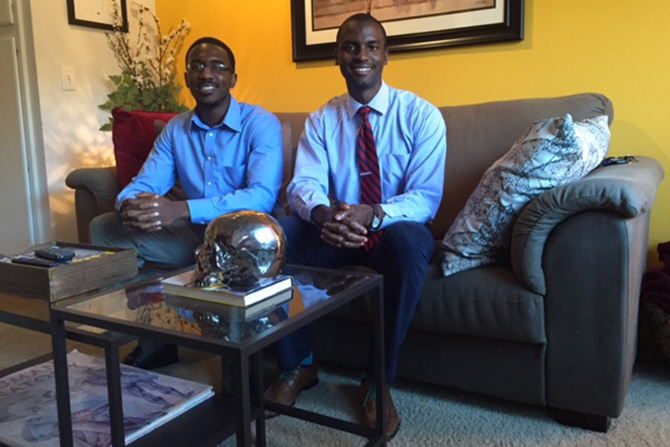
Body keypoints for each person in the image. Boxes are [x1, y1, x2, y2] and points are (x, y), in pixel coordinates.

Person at [264, 13, 446, 438]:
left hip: (392, 230)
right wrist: (325, 215)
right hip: (338, 229)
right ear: (337, 57)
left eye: (371, 46)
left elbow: (425, 198)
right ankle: (298, 366)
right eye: (350, 47)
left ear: (386, 55)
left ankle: (377, 380)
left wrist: (372, 213)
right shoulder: (321, 120)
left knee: (410, 243)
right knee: (276, 236)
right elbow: (304, 185)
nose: (361, 55)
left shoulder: (421, 115)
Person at [90, 37, 283, 370]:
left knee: (237, 242)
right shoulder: (175, 130)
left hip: (243, 241)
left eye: (217, 67)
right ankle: (154, 340)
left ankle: (241, 360)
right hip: (193, 235)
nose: (206, 73)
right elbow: (145, 183)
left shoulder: (260, 123)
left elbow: (261, 197)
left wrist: (179, 209)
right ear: (187, 77)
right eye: (197, 66)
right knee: (105, 228)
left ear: (233, 78)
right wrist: (131, 206)